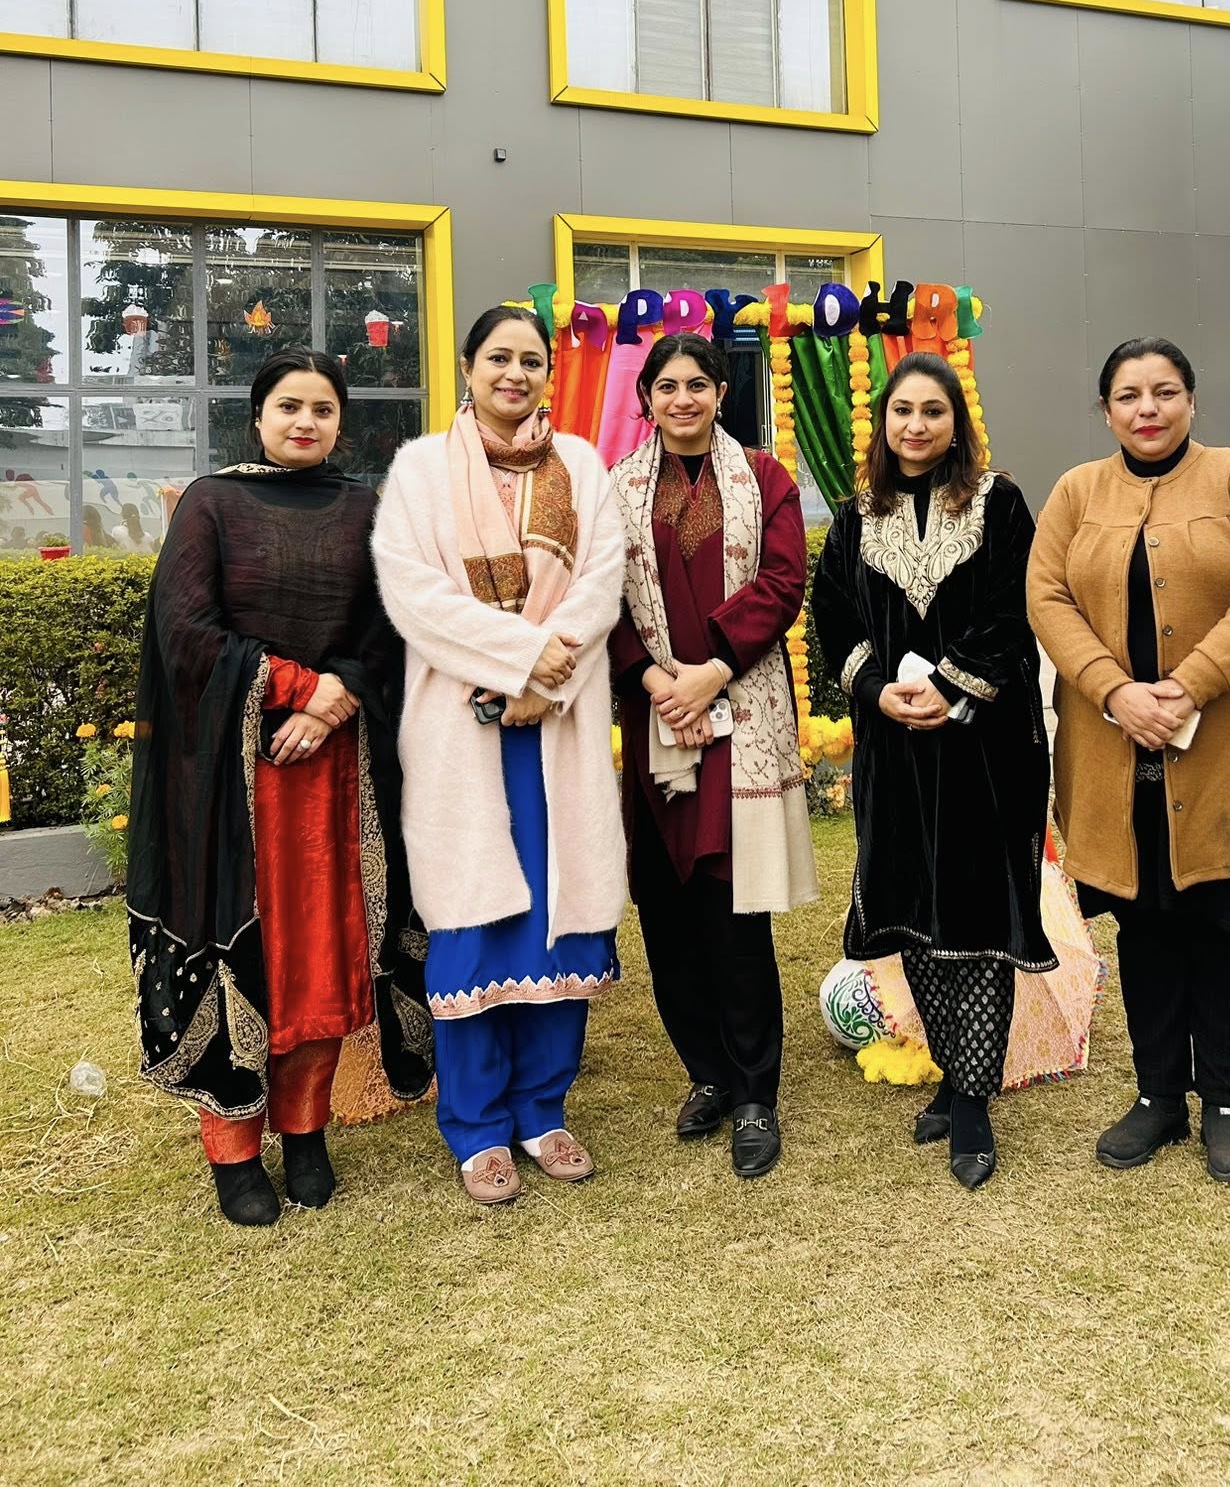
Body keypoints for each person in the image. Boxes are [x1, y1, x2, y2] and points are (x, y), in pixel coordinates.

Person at [1027, 337, 1230, 1185]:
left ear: (1192, 401)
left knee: (1218, 922)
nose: (1148, 409)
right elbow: (1046, 595)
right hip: (1114, 742)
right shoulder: (1076, 492)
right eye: (1129, 395)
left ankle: (1226, 1105)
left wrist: (1188, 685)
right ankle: (1159, 1095)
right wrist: (1113, 691)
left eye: (1165, 392)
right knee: (1142, 923)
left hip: (1224, 745)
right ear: (1106, 411)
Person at [127, 349, 432, 1228]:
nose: (306, 422)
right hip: (236, 779)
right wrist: (297, 689)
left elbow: (392, 626)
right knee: (247, 947)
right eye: (289, 406)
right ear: (257, 416)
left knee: (328, 950)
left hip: (338, 776)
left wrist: (337, 702)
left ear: (341, 423)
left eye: (323, 409)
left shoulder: (367, 510)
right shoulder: (211, 504)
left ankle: (305, 1131)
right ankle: (233, 1148)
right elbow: (184, 629)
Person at [373, 307, 626, 1206]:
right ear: (468, 367)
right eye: (499, 358)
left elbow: (602, 583)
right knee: (474, 922)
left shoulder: (583, 466)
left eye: (531, 360)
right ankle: (477, 1126)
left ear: (549, 373)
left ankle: (542, 1111)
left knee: (562, 917)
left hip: (558, 720)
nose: (515, 374)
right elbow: (414, 593)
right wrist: (519, 660)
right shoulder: (419, 470)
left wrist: (546, 680)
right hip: (460, 725)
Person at [811, 350, 1055, 1190]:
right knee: (911, 905)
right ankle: (954, 1073)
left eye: (933, 411)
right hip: (894, 748)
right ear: (883, 423)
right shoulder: (856, 517)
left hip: (983, 747)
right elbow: (832, 616)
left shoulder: (998, 502)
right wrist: (877, 690)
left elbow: (1015, 609)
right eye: (902, 411)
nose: (916, 426)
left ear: (957, 425)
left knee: (978, 908)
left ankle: (974, 1099)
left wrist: (949, 686)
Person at [609, 331, 815, 1180]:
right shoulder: (616, 488)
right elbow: (600, 599)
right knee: (666, 908)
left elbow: (783, 582)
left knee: (733, 911)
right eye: (667, 386)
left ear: (722, 393)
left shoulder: (765, 479)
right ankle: (707, 1074)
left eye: (698, 384)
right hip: (656, 714)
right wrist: (657, 680)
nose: (683, 399)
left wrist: (713, 670)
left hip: (740, 711)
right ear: (647, 399)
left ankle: (755, 1092)